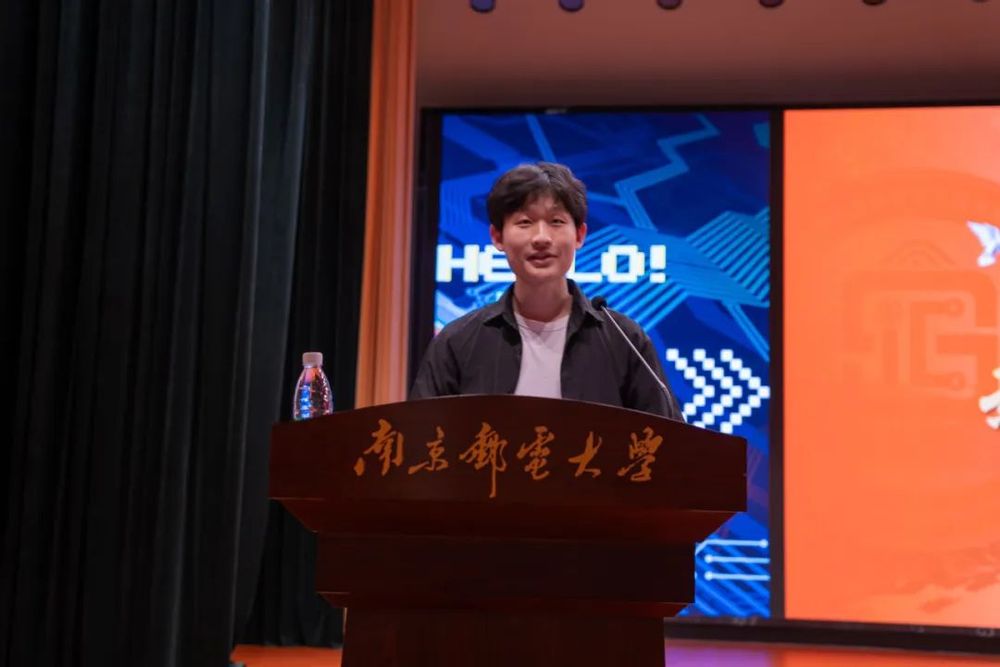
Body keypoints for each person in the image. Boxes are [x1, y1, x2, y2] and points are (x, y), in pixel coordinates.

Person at [410, 161, 683, 421]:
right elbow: (420, 438)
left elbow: (671, 441)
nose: (541, 238)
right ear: (497, 237)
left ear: (579, 235)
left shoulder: (624, 340)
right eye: (525, 222)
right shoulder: (458, 342)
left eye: (556, 221)